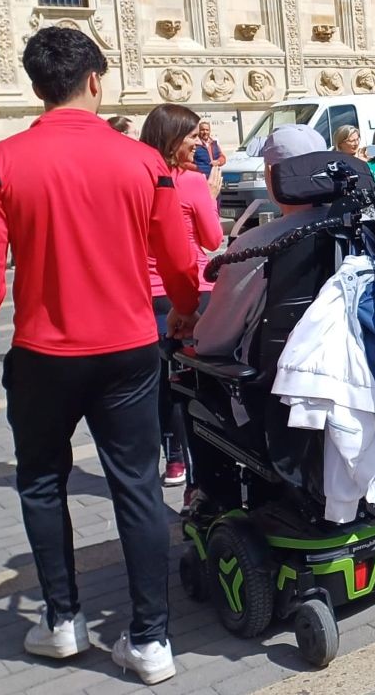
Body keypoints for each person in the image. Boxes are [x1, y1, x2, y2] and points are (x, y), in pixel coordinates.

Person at [0, 26, 200, 685]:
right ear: (95, 80)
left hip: (42, 355)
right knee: (138, 490)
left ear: (36, 87)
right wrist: (188, 313)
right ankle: (149, 641)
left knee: (39, 481)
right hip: (128, 351)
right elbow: (178, 262)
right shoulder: (143, 163)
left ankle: (62, 623)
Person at [138, 103, 222, 488]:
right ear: (173, 139)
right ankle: (200, 468)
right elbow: (212, 239)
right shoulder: (189, 182)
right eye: (190, 135)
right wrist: (212, 196)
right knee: (195, 381)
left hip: (146, 293)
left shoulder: (136, 179)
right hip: (190, 291)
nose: (197, 142)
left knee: (159, 383)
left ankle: (173, 460)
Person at [193, 124, 329, 361]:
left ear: (269, 173)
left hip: (274, 381)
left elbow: (211, 341)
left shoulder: (253, 245)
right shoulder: (357, 226)